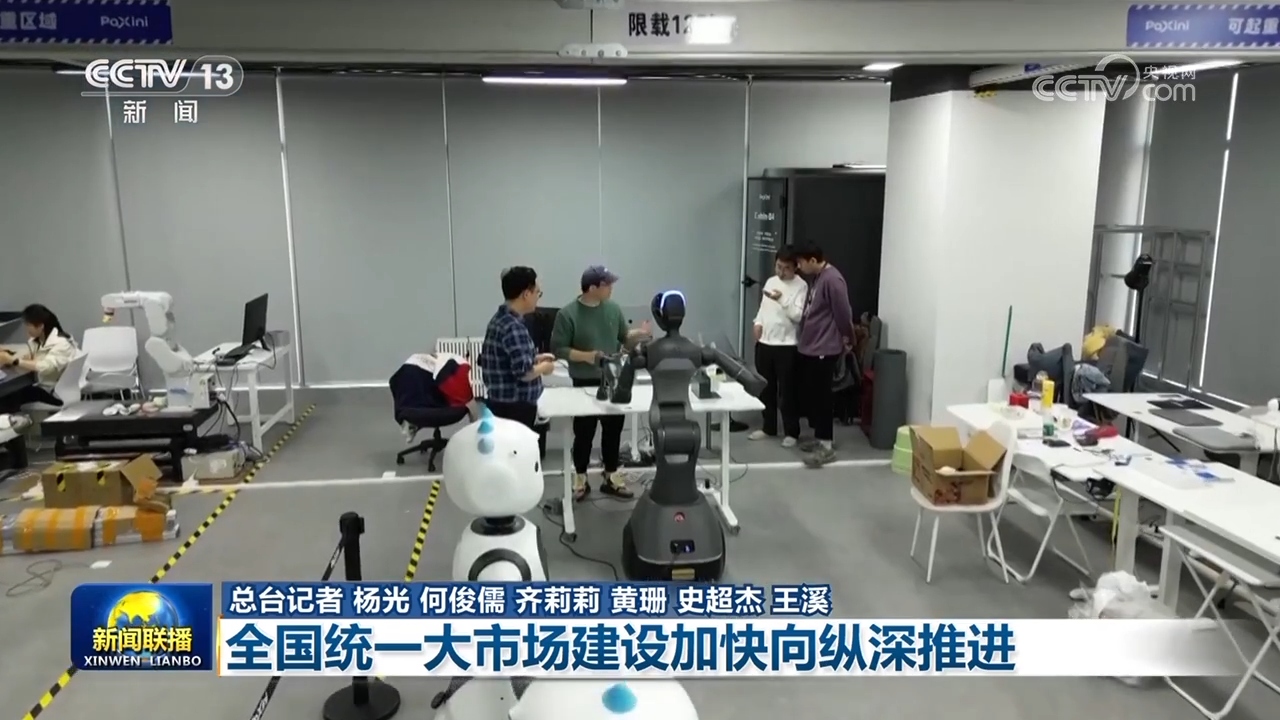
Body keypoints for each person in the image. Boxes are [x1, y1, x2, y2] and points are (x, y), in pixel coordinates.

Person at [551, 265, 651, 501]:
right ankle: (580, 478)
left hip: (613, 377)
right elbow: (559, 349)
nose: (611, 288)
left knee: (613, 429)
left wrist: (639, 334)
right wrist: (588, 356)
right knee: (584, 431)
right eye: (607, 285)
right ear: (592, 288)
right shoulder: (567, 314)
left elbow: (623, 339)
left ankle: (611, 475)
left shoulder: (613, 309)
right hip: (584, 380)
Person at [480, 267, 556, 456]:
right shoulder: (514, 327)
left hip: (502, 403)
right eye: (537, 292)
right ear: (526, 294)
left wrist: (535, 358)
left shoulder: (500, 320)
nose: (538, 297)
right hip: (515, 408)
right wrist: (545, 367)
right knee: (518, 457)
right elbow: (524, 373)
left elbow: (510, 359)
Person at [794, 245, 855, 467]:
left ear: (812, 260)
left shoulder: (833, 280)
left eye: (801, 263)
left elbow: (843, 313)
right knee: (814, 395)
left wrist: (848, 336)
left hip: (824, 347)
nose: (798, 267)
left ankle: (826, 446)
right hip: (812, 346)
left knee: (822, 397)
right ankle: (820, 437)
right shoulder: (818, 278)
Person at [749, 247, 808, 447]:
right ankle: (768, 427)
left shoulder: (801, 286)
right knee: (766, 388)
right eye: (778, 267)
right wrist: (757, 323)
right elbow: (763, 309)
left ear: (795, 267)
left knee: (787, 391)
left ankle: (792, 431)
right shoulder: (771, 282)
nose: (781, 272)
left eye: (786, 268)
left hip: (787, 346)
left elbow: (798, 316)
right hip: (765, 343)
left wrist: (781, 299)